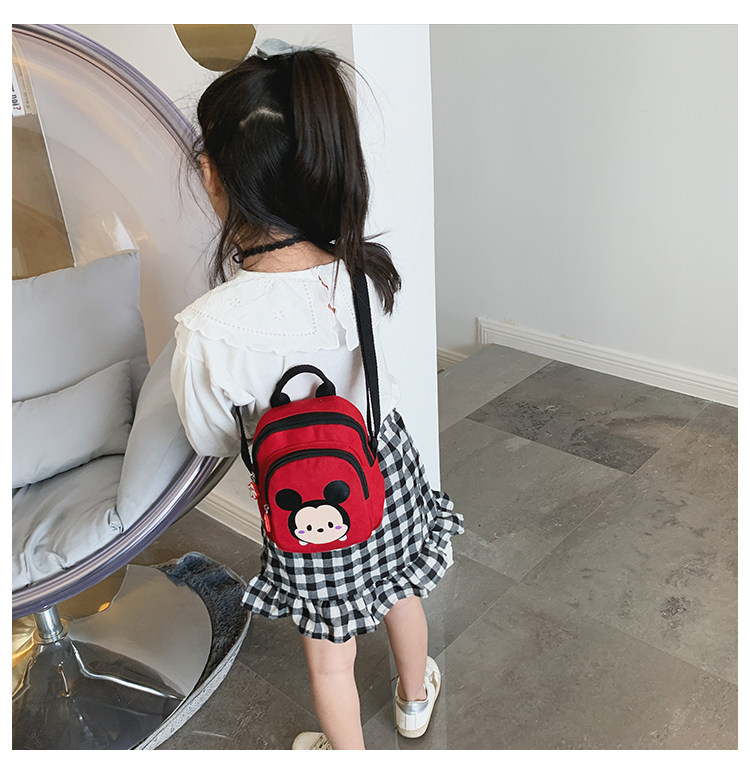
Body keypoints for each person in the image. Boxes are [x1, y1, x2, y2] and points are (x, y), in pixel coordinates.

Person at [170, 38, 463, 750]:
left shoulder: (207, 327)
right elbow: (386, 388)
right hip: (383, 468)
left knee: (330, 656)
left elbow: (211, 435)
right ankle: (414, 698)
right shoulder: (363, 273)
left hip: (304, 504)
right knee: (402, 590)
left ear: (213, 176)